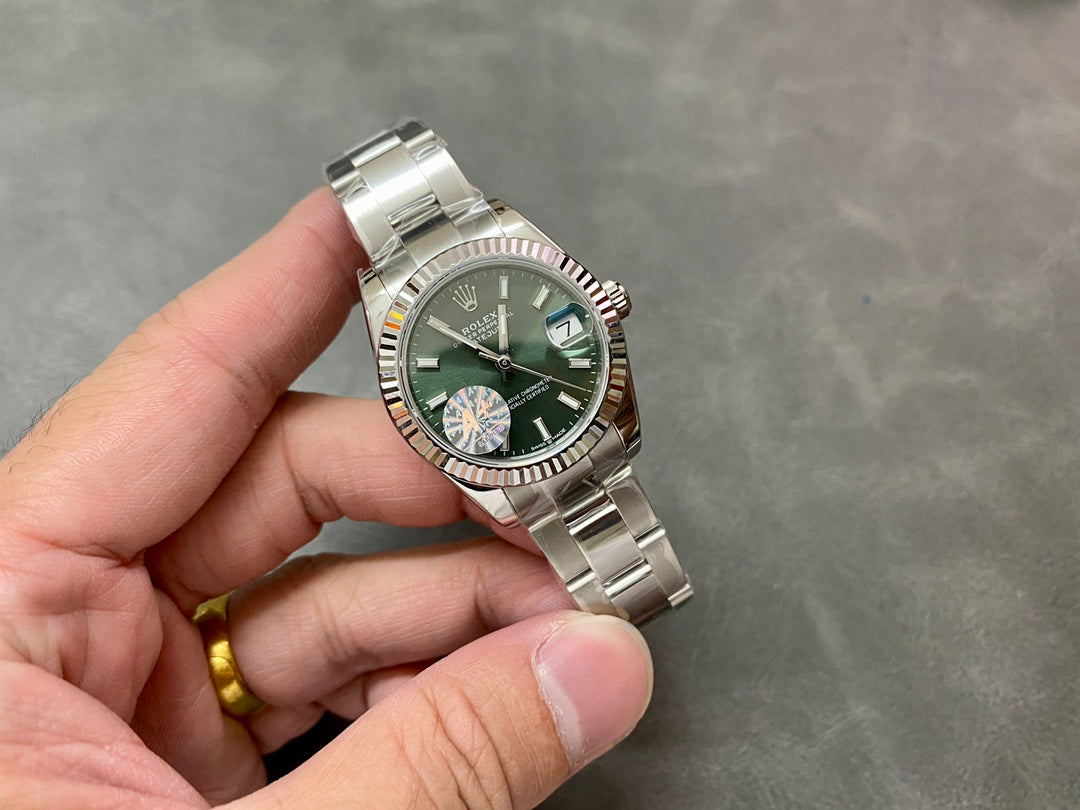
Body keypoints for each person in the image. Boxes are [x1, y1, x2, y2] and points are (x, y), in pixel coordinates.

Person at [0, 189, 654, 808]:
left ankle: (634, 583)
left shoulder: (507, 250)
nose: (503, 367)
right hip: (519, 440)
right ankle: (631, 590)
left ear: (604, 304)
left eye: (506, 356)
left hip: (572, 420)